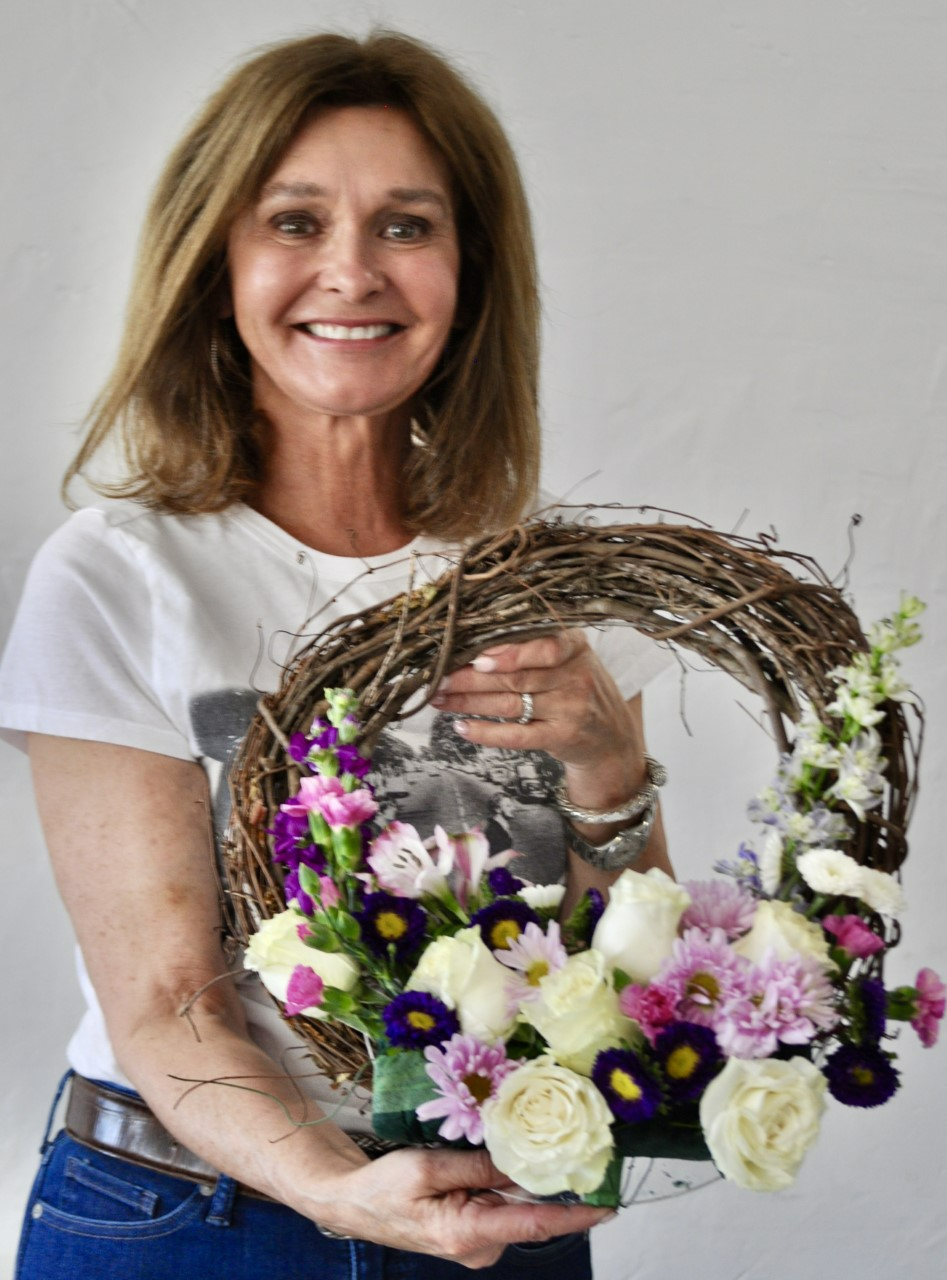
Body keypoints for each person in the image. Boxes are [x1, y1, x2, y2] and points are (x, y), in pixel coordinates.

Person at [0, 30, 673, 1279]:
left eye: (406, 225)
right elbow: (170, 998)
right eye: (295, 222)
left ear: (468, 270)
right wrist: (341, 1189)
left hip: (489, 1213)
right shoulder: (121, 574)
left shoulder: (539, 584)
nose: (352, 271)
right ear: (217, 264)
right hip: (192, 1219)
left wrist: (603, 767)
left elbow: (623, 958)